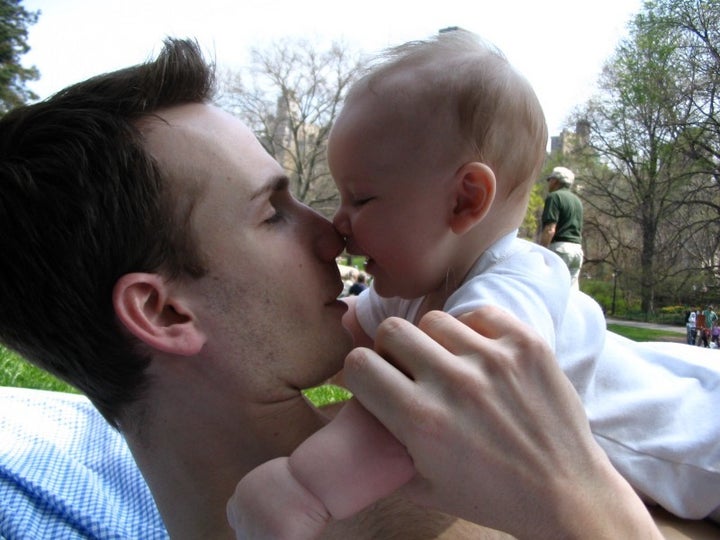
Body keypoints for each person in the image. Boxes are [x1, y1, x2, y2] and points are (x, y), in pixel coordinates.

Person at [0, 38, 671, 540]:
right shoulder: (499, 485)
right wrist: (586, 506)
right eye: (274, 213)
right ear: (165, 309)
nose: (333, 236)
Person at [231, 30, 720, 535]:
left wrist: (305, 488)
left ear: (465, 201)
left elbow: (433, 410)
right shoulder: (410, 289)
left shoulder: (516, 282)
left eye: (361, 199)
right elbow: (338, 341)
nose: (340, 222)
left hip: (703, 445)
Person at [540, 166, 584, 289]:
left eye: (550, 179)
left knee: (551, 288)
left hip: (560, 249)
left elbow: (550, 229)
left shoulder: (554, 197)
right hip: (576, 251)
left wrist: (541, 251)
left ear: (556, 181)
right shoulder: (577, 201)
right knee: (571, 294)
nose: (549, 183)